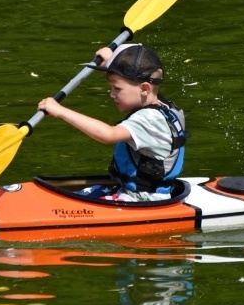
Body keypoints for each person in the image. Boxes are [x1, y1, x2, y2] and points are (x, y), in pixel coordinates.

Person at [37, 44, 188, 202]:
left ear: (144, 89)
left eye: (117, 88)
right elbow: (143, 67)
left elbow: (108, 135)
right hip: (129, 191)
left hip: (141, 199)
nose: (111, 94)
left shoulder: (149, 120)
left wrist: (61, 111)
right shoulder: (163, 106)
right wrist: (113, 60)